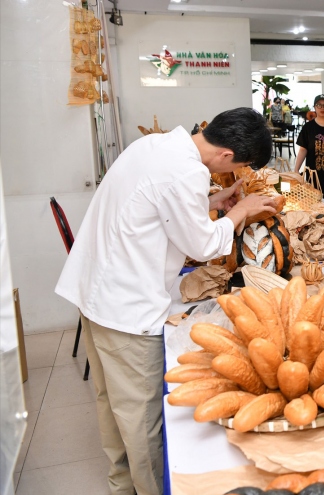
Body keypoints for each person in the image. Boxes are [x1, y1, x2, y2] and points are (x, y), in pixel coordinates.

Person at [54, 108, 278, 495]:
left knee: (113, 410)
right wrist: (241, 210)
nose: (232, 173)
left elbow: (159, 205)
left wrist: (214, 201)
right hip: (126, 309)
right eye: (238, 167)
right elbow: (203, 245)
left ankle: (121, 485)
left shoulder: (153, 145)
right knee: (141, 421)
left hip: (97, 296)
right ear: (227, 156)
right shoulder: (185, 172)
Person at [294, 94, 324, 204]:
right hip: (314, 176)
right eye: (318, 105)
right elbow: (303, 149)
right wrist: (296, 169)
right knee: (315, 207)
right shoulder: (308, 127)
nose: (322, 108)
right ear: (314, 107)